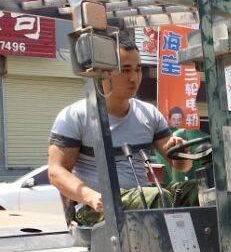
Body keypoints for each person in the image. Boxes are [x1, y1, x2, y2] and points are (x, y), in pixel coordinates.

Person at [48, 32, 196, 226]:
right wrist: (91, 196)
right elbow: (56, 171)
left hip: (146, 199)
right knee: (156, 197)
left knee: (198, 190)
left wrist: (181, 154)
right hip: (96, 209)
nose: (134, 78)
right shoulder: (75, 116)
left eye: (138, 69)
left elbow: (180, 165)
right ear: (104, 72)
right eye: (125, 70)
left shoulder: (149, 114)